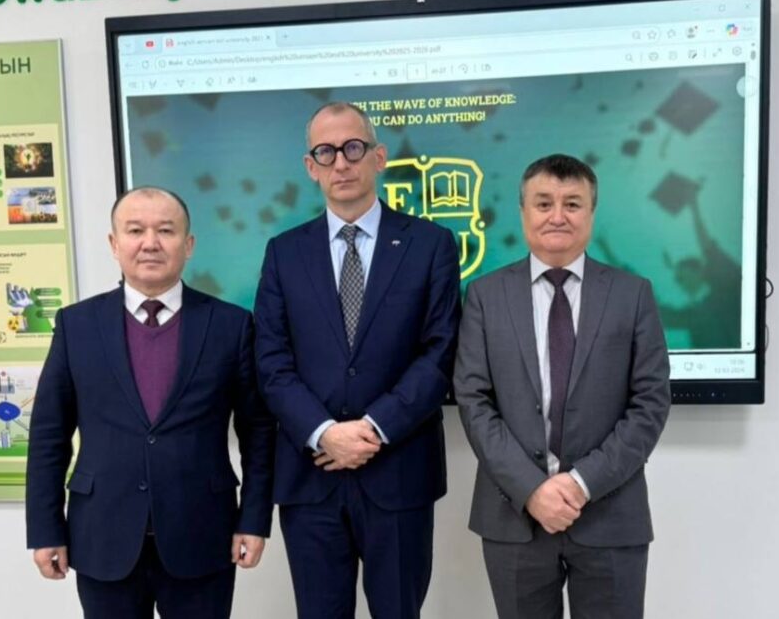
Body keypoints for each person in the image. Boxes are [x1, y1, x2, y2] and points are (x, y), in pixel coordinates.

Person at [25, 186, 275, 619]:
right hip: (103, 535)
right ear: (114, 243)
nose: (150, 243)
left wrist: (254, 519)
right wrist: (46, 528)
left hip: (203, 535)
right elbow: (49, 434)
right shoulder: (76, 325)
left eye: (166, 230)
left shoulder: (231, 325)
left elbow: (259, 433)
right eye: (135, 230)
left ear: (188, 244)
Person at [253, 102, 460, 619]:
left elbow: (440, 352)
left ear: (378, 156)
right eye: (326, 152)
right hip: (311, 478)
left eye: (352, 148)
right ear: (311, 166)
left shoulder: (430, 244)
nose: (341, 163)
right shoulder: (284, 252)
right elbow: (271, 361)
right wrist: (324, 432)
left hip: (399, 471)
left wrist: (372, 429)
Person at [454, 154, 671, 619]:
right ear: (523, 212)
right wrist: (532, 489)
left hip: (610, 514)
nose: (557, 216)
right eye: (543, 203)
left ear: (591, 213)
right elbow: (474, 401)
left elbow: (650, 403)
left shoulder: (633, 294)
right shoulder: (485, 296)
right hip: (514, 517)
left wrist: (581, 483)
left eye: (572, 204)